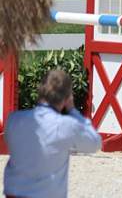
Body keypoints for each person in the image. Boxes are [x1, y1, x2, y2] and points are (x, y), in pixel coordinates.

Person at [3, 69, 101, 198]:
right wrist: (72, 110)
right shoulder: (65, 125)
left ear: (40, 91)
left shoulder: (14, 119)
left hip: (13, 193)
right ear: (67, 98)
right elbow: (95, 143)